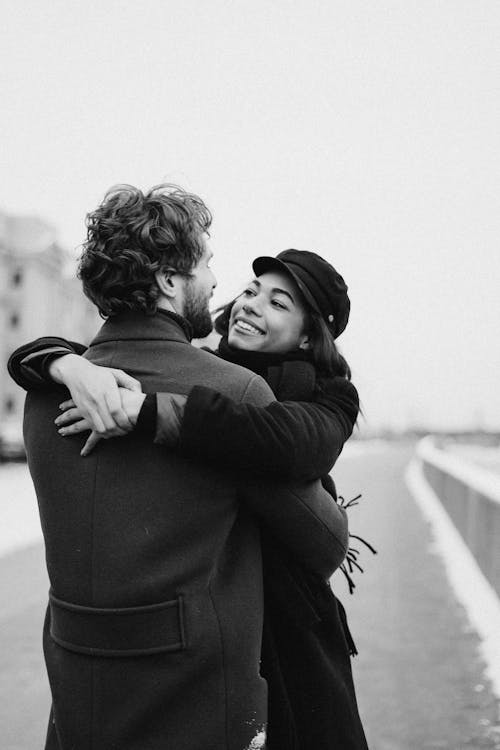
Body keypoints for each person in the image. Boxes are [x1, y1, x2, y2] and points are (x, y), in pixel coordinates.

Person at [8, 185, 358, 750]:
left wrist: (57, 361)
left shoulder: (51, 390)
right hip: (195, 696)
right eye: (209, 266)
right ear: (170, 280)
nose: (220, 285)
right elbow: (324, 543)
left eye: (279, 302)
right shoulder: (231, 387)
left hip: (79, 692)